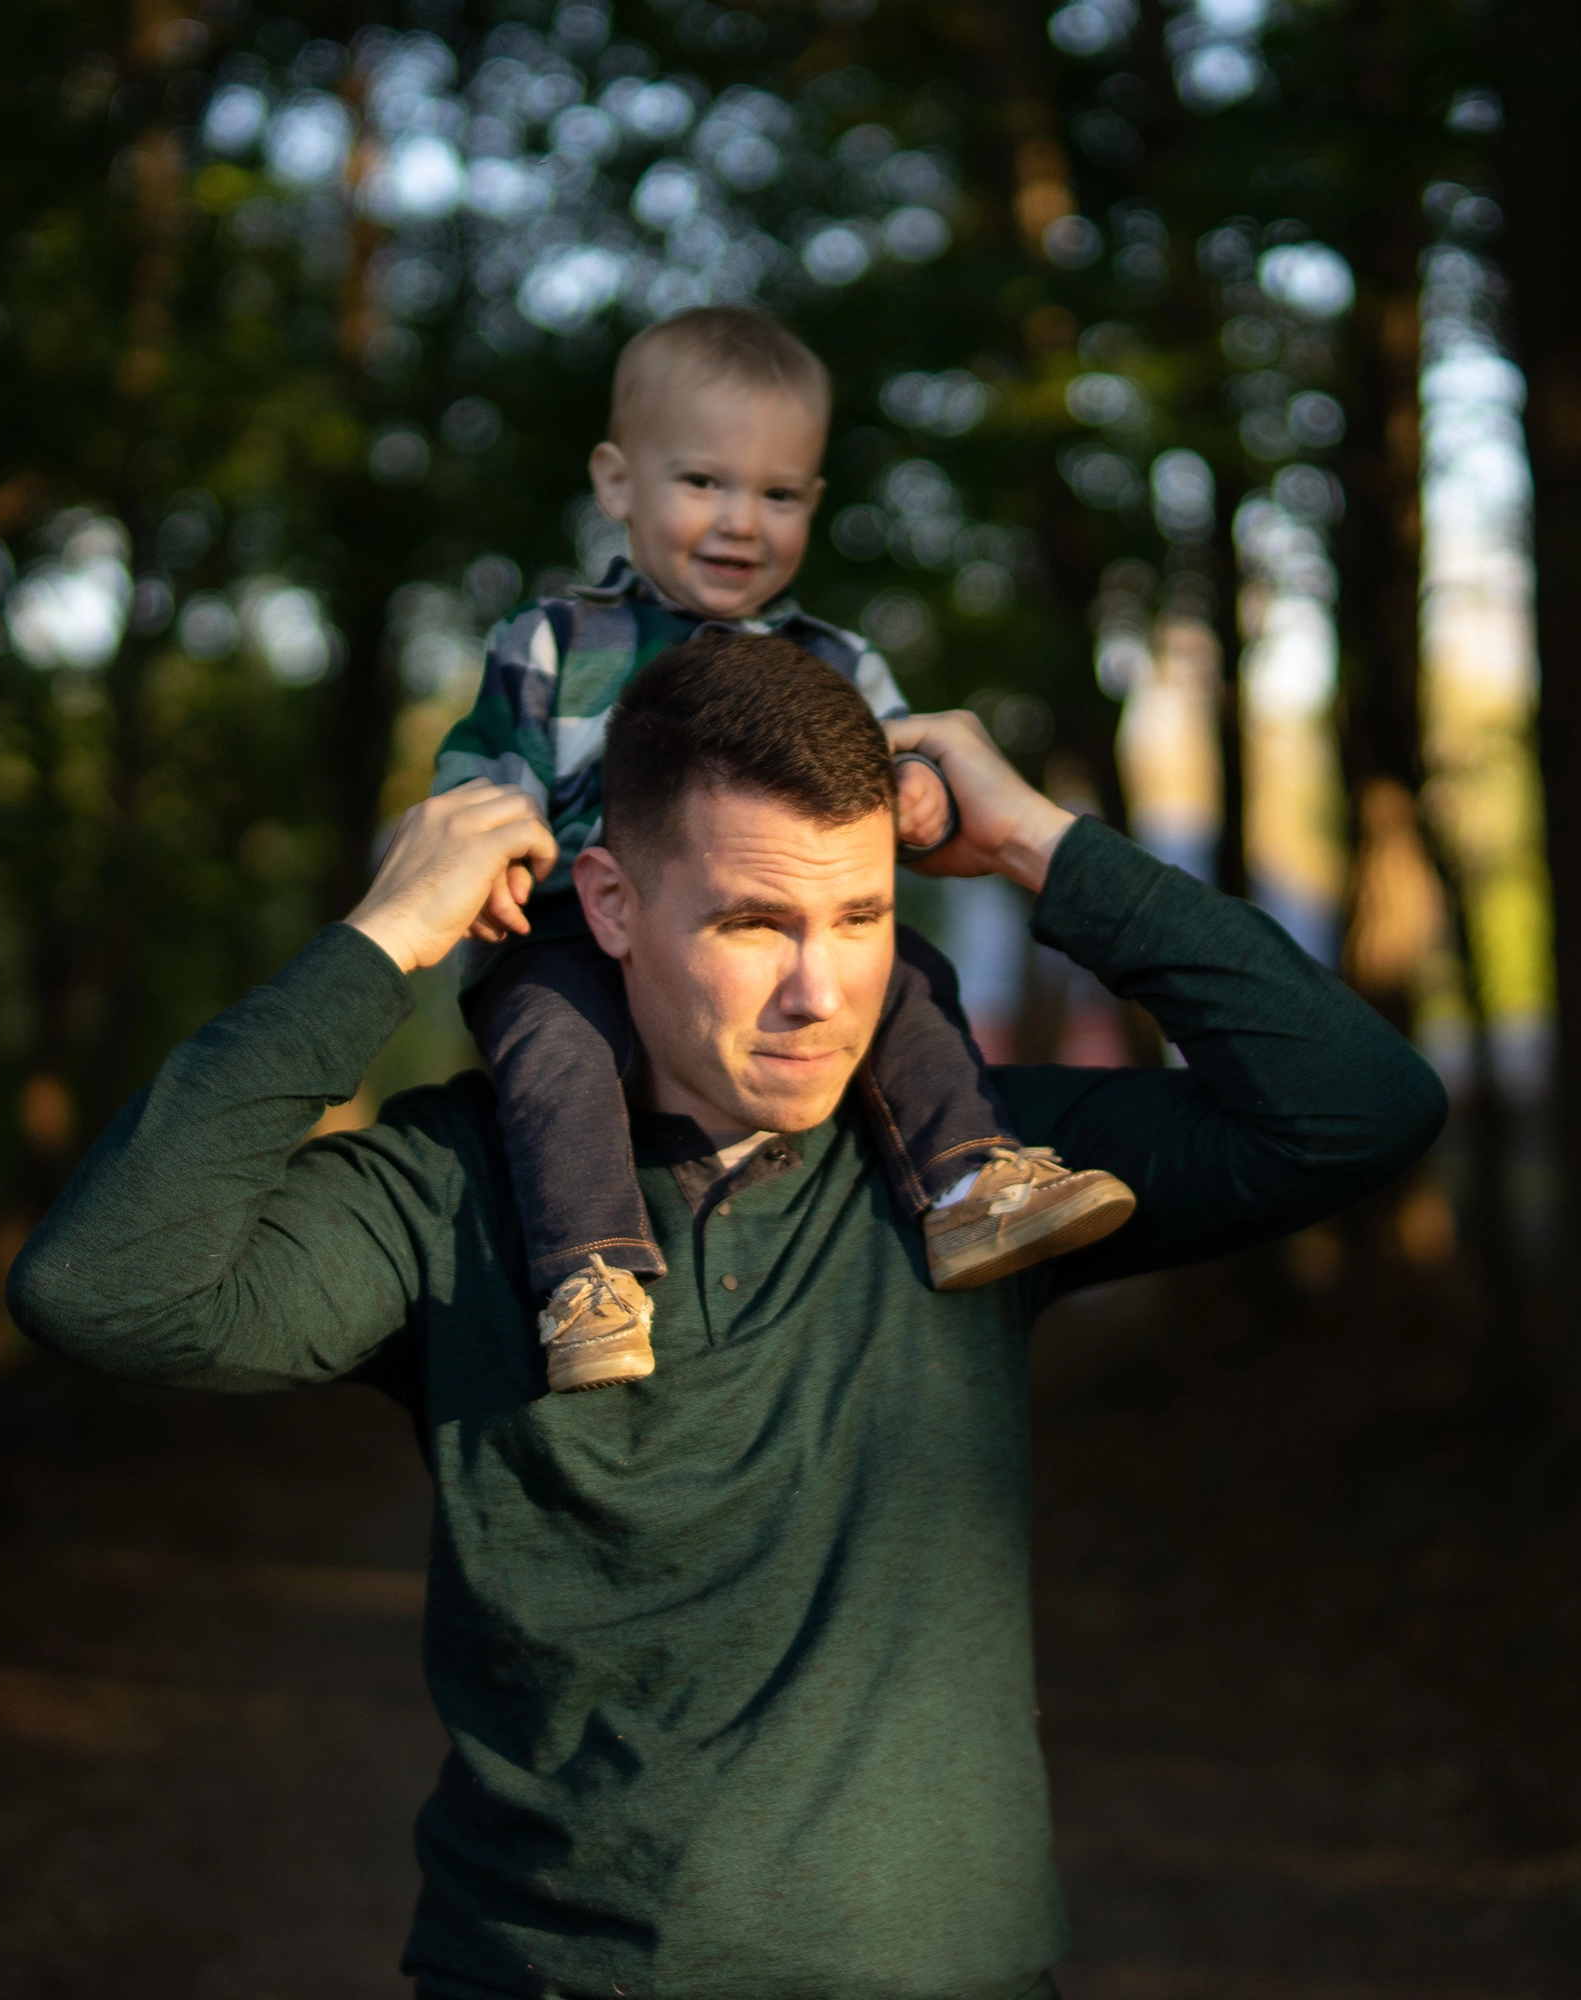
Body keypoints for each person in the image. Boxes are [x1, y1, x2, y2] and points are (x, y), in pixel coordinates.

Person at [8, 630, 1448, 1999]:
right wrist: (384, 938)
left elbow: (1359, 1108)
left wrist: (1034, 844)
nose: (818, 992)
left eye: (865, 915)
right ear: (616, 904)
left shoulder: (982, 1172)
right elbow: (106, 1288)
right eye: (755, 922)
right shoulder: (452, 1189)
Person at [429, 304, 1132, 1393]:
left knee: (906, 978)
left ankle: (969, 1185)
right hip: (573, 924)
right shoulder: (555, 642)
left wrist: (918, 798)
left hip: (766, 929)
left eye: (778, 493)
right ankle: (591, 1275)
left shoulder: (835, 658)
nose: (740, 522)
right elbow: (484, 775)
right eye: (703, 482)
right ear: (618, 483)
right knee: (551, 1044)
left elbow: (902, 765)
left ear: (813, 501)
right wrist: (490, 855)